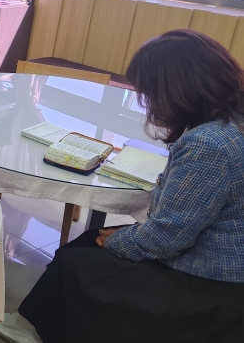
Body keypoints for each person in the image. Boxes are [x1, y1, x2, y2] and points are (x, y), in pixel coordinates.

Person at [18, 29, 244, 343]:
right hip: (222, 255)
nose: (150, 103)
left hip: (214, 277)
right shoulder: (232, 121)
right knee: (88, 242)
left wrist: (119, 241)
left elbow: (166, 238)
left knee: (76, 261)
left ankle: (41, 332)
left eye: (150, 93)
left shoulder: (208, 143)